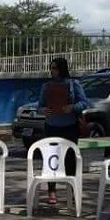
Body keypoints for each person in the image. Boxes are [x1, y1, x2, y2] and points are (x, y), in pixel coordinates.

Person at [37, 57, 88, 206]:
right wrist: (43, 110)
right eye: (51, 68)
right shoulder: (47, 86)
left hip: (69, 127)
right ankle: (51, 191)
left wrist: (72, 107)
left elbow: (84, 102)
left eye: (55, 68)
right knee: (51, 159)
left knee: (70, 160)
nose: (53, 71)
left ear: (62, 69)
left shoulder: (73, 84)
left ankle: (71, 191)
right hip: (52, 126)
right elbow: (39, 106)